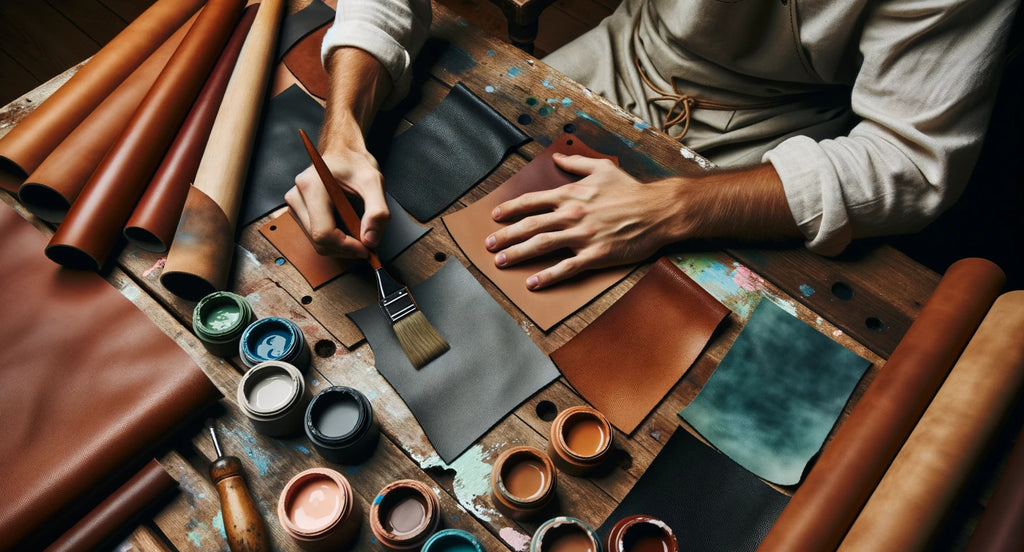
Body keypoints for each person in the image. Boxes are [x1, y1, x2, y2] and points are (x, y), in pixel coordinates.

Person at [286, 0, 1019, 290]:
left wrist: (671, 208)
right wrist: (345, 124)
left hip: (769, 135)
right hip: (622, 54)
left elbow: (909, 162)